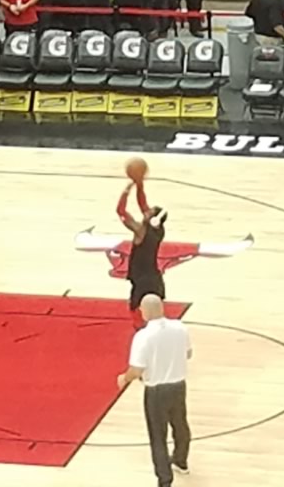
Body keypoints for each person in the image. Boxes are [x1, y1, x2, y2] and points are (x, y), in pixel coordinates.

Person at [117, 294, 192, 487]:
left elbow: (137, 369)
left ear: (146, 311)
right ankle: (181, 460)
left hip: (156, 391)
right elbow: (188, 353)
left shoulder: (143, 336)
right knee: (180, 424)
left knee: (158, 436)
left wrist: (124, 378)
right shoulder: (180, 328)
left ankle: (165, 479)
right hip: (178, 386)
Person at [117, 181, 166, 324]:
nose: (146, 211)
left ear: (153, 219)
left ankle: (140, 332)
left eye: (149, 212)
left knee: (135, 310)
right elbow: (142, 203)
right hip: (155, 277)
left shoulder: (141, 230)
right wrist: (139, 185)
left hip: (141, 278)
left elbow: (121, 211)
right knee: (157, 312)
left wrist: (126, 191)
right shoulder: (159, 230)